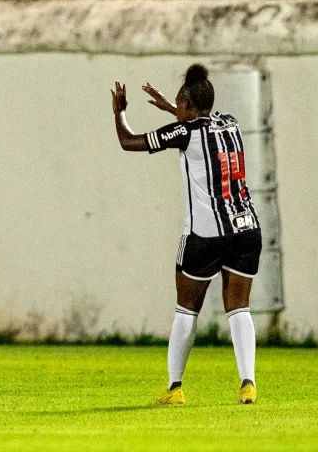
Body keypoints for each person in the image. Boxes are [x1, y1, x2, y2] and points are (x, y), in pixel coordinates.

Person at [110, 64, 261, 405]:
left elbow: (128, 141)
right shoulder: (231, 122)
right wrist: (170, 108)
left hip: (205, 235)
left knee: (186, 309)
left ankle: (175, 387)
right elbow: (198, 123)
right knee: (239, 308)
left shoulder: (184, 132)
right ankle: (248, 383)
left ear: (188, 105)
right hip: (246, 228)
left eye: (179, 103)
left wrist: (119, 112)